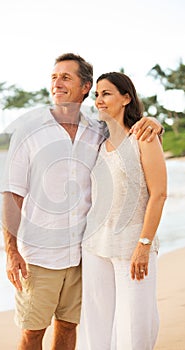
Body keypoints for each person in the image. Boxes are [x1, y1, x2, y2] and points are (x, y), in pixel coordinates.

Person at [1, 54, 163, 350]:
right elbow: (12, 193)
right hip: (40, 255)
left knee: (69, 327)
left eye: (66, 77)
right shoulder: (29, 130)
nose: (57, 83)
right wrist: (11, 251)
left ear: (84, 86)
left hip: (82, 254)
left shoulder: (97, 131)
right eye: (54, 77)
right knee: (33, 332)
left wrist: (153, 122)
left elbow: (130, 139)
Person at [78, 72, 167, 350]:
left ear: (126, 98)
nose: (99, 100)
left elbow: (159, 194)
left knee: (134, 324)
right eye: (96, 95)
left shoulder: (143, 137)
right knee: (97, 324)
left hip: (131, 246)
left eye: (106, 94)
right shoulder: (100, 144)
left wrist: (143, 245)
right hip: (94, 245)